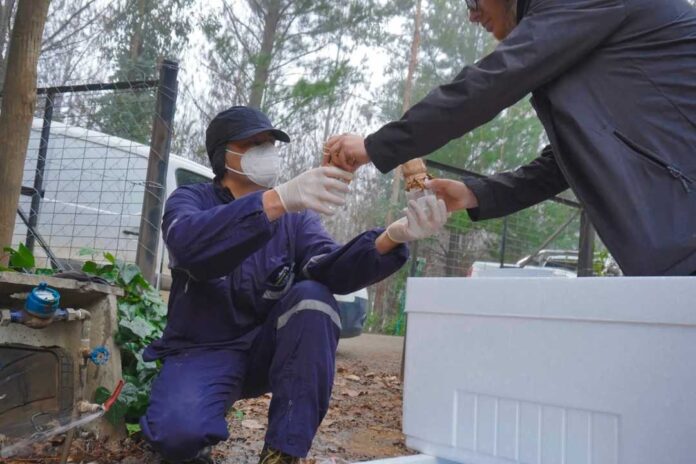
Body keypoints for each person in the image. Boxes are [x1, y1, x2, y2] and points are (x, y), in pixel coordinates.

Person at [139, 106, 448, 464]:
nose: (266, 152)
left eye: (270, 143)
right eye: (254, 144)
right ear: (224, 154)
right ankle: (195, 430)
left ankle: (283, 452)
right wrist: (275, 201)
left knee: (313, 298)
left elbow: (330, 269)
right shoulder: (190, 201)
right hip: (203, 351)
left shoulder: (296, 218)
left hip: (266, 349)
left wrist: (391, 238)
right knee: (177, 436)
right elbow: (189, 245)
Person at [324, 0, 696, 276]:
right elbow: (565, 161)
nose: (471, 15)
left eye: (472, 1)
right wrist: (475, 193)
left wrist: (376, 145)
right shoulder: (576, 33)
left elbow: (493, 82)